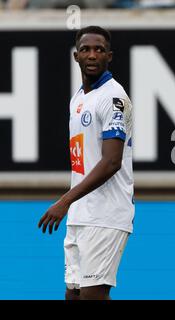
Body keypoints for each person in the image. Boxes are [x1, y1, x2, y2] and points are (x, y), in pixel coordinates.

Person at [37, 26, 134, 300]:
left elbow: (112, 161)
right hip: (81, 214)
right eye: (86, 49)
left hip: (106, 214)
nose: (92, 55)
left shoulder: (114, 98)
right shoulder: (79, 98)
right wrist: (72, 204)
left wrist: (64, 201)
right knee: (74, 295)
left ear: (110, 56)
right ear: (75, 56)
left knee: (93, 295)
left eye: (99, 50)